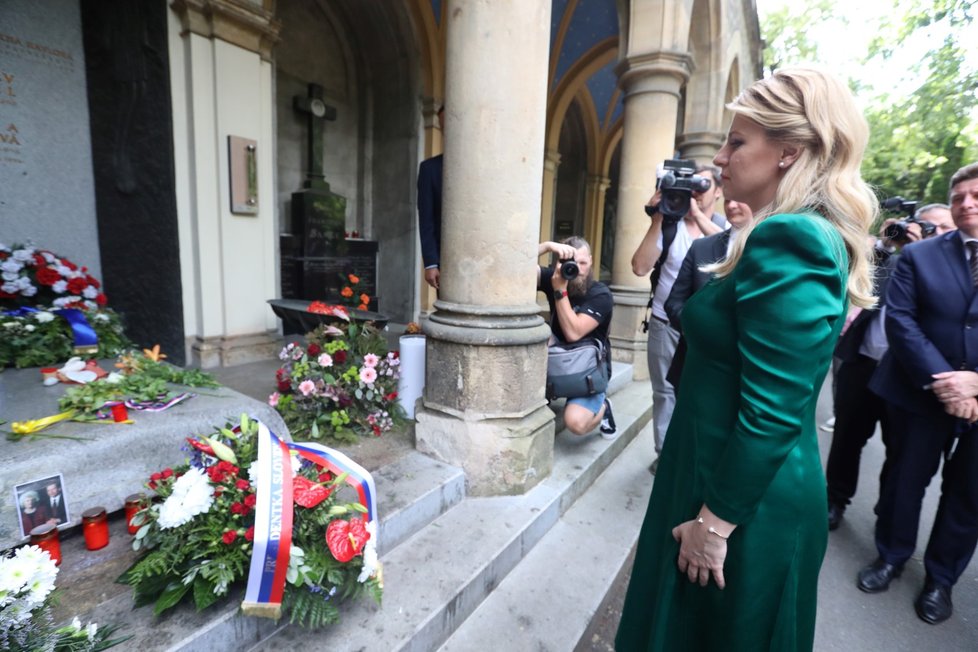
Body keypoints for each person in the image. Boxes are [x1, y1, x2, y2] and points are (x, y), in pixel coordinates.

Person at [616, 66, 877, 651]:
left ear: (789, 150)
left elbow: (775, 412)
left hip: (738, 505)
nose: (720, 158)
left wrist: (714, 525)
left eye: (737, 141)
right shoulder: (778, 232)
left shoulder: (795, 239)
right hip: (717, 478)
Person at [857, 164, 978, 626]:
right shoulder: (919, 256)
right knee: (904, 481)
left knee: (967, 496)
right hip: (917, 392)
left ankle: (940, 579)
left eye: (976, 195)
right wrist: (948, 383)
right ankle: (890, 555)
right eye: (958, 196)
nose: (966, 203)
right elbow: (902, 322)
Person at [825, 204, 952, 531]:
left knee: (900, 451)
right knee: (847, 438)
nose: (925, 232)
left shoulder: (954, 273)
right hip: (864, 362)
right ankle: (834, 499)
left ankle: (888, 514)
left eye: (935, 228)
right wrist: (885, 243)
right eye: (923, 225)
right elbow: (861, 274)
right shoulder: (896, 260)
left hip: (906, 375)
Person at [631, 165, 726, 471]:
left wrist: (698, 216)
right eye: (689, 186)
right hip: (664, 323)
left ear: (719, 191)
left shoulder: (726, 228)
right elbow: (639, 267)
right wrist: (659, 216)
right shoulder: (670, 227)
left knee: (698, 393)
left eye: (702, 184)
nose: (695, 191)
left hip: (707, 329)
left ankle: (691, 454)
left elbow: (736, 254)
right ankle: (666, 456)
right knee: (664, 392)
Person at [663, 199, 752, 390]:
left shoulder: (772, 250)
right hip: (695, 367)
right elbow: (674, 302)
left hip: (746, 373)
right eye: (728, 200)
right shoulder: (701, 247)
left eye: (739, 200)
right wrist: (697, 328)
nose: (731, 206)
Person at [538, 237, 616, 438]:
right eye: (571, 263)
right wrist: (546, 246)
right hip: (557, 361)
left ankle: (603, 407)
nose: (578, 269)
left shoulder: (601, 294)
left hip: (587, 370)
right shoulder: (555, 277)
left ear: (590, 261)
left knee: (575, 424)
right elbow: (515, 266)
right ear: (559, 263)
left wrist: (559, 290)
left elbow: (574, 333)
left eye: (583, 263)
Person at [417, 106, 445, 290]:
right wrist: (431, 263)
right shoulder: (430, 169)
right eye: (444, 127)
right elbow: (426, 219)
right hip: (446, 264)